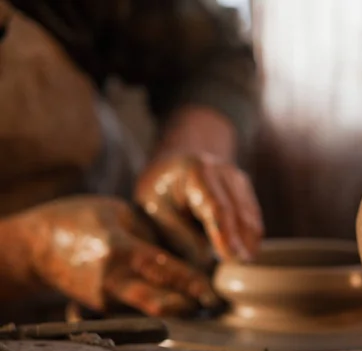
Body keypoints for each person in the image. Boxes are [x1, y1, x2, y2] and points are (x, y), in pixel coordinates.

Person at [0, 0, 262, 319]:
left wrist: (188, 152)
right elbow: (31, 251)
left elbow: (216, 52)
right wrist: (28, 252)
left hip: (126, 270)